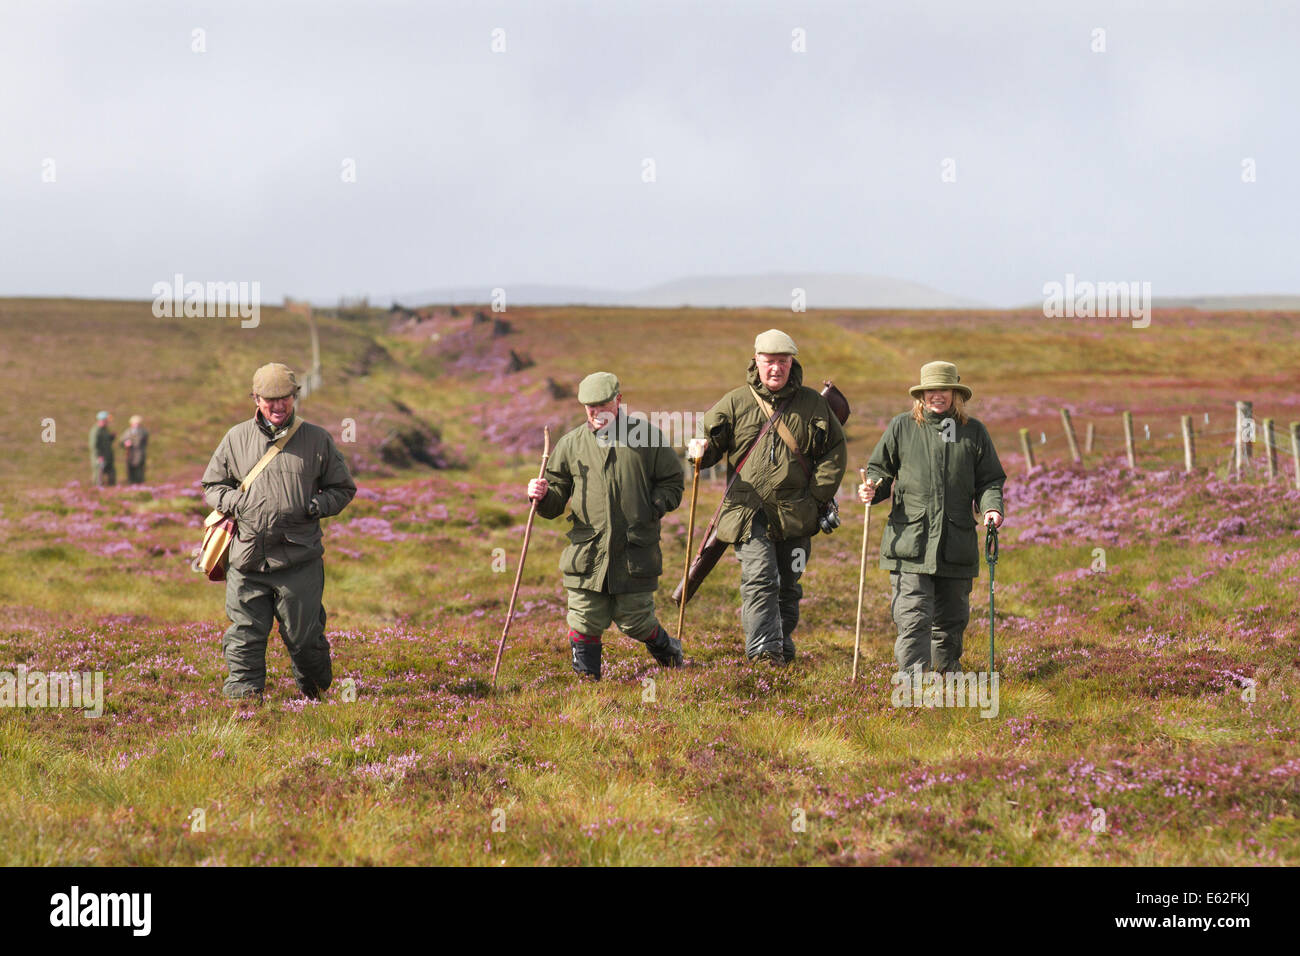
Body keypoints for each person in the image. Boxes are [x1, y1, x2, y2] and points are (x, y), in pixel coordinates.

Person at [686, 330, 847, 665]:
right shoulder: (734, 402)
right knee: (760, 579)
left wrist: (817, 496)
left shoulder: (813, 404)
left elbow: (834, 450)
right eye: (769, 361)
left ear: (792, 363)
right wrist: (700, 449)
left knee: (788, 586)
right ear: (756, 361)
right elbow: (708, 442)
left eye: (783, 362)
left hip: (797, 513)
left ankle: (780, 644)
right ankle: (764, 655)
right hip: (747, 512)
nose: (776, 368)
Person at [201, 363, 357, 700]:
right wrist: (236, 503)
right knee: (244, 634)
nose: (277, 406)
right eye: (269, 399)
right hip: (247, 558)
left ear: (294, 396)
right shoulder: (235, 438)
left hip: (299, 560)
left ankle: (315, 692)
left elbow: (343, 489)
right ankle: (244, 702)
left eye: (284, 398)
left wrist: (318, 505)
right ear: (255, 399)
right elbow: (212, 485)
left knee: (304, 638)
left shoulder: (317, 439)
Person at [528, 371, 685, 680]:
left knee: (636, 620)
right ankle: (588, 684)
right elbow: (556, 495)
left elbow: (672, 483)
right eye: (589, 407)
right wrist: (542, 495)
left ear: (619, 401)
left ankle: (671, 656)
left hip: (634, 550)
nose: (596, 413)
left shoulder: (649, 439)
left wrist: (655, 505)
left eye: (602, 405)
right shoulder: (571, 444)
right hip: (588, 551)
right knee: (584, 619)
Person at [858, 361, 1005, 675]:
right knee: (913, 617)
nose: (937, 395)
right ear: (921, 394)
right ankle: (914, 684)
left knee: (952, 620)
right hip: (911, 543)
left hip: (956, 542)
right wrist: (874, 489)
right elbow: (879, 470)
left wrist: (992, 508)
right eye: (931, 390)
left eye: (944, 389)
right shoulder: (901, 426)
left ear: (955, 393)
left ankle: (946, 676)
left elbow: (989, 480)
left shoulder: (974, 432)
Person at [89, 411, 116, 486]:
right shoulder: (96, 431)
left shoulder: (105, 429)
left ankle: (110, 489)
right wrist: (98, 456)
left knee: (110, 473)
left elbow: (106, 442)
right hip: (100, 457)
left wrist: (111, 437)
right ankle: (96, 490)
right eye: (107, 421)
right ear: (102, 420)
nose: (108, 422)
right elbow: (93, 445)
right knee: (98, 474)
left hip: (107, 456)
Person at [121, 414, 149, 484]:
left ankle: (139, 485)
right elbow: (121, 442)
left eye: (138, 423)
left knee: (139, 472)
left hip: (139, 455)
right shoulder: (127, 432)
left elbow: (143, 442)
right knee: (130, 472)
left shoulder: (143, 432)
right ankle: (131, 485)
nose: (136, 425)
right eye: (135, 423)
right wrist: (125, 443)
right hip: (130, 455)